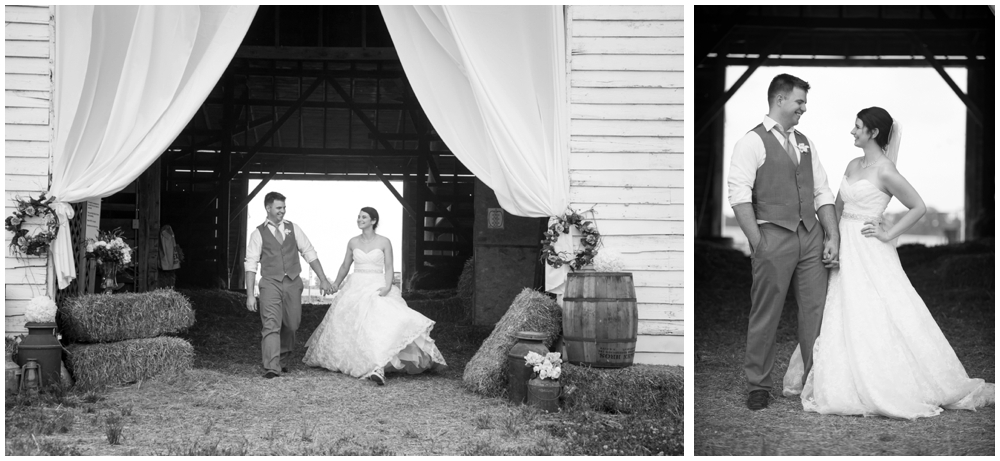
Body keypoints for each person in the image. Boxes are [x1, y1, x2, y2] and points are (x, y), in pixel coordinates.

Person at [782, 107, 995, 418]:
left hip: (870, 248)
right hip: (845, 245)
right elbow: (837, 208)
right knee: (837, 308)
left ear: (873, 132)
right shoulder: (853, 164)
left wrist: (888, 233)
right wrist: (832, 240)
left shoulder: (885, 170)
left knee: (878, 308)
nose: (852, 132)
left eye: (857, 127)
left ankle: (884, 380)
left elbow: (918, 206)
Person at [727, 73, 840, 410]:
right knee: (766, 311)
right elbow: (738, 195)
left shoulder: (805, 141)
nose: (804, 109)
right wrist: (758, 242)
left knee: (816, 311)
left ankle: (816, 381)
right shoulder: (752, 141)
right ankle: (757, 385)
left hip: (810, 234)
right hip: (772, 236)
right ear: (779, 100)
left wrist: (831, 234)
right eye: (799, 102)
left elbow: (822, 190)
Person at [302, 207, 447, 385]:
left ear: (373, 221)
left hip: (377, 285)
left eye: (364, 217)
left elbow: (389, 267)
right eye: (358, 216)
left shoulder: (384, 242)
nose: (359, 219)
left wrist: (387, 287)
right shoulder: (353, 242)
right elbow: (344, 266)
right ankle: (372, 365)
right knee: (354, 326)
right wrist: (335, 285)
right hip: (356, 286)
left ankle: (379, 366)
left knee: (383, 323)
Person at [245, 192, 335, 379]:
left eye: (284, 208)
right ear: (268, 208)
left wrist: (323, 279)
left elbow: (309, 252)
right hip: (270, 283)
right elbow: (251, 264)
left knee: (292, 324)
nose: (282, 211)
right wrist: (250, 294)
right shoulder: (257, 234)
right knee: (271, 325)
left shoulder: (293, 228)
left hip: (293, 282)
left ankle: (283, 359)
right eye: (279, 208)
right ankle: (272, 366)